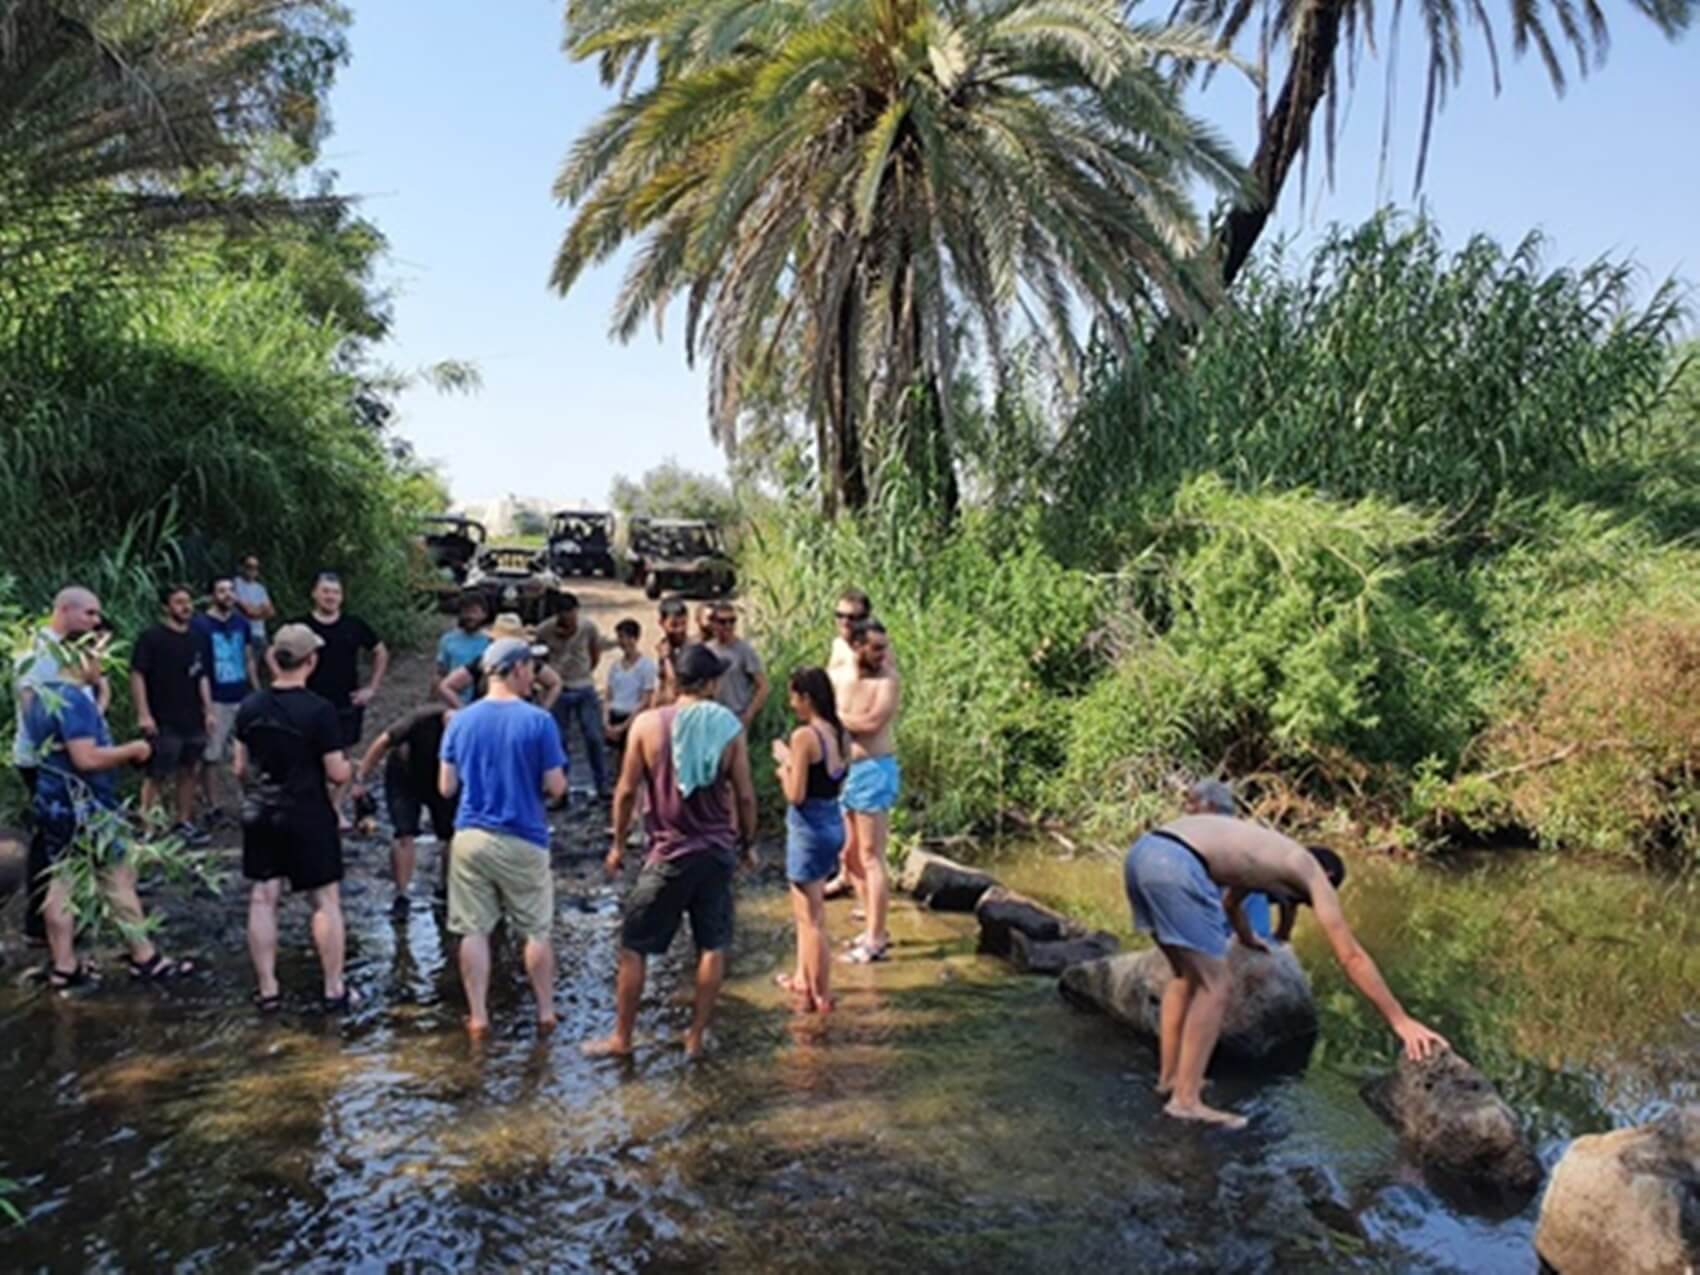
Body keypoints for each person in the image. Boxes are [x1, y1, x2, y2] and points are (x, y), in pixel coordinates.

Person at [1124, 813, 1450, 1129]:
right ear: (1326, 874)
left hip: (1144, 854)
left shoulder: (1264, 854)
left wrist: (1249, 939)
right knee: (1216, 984)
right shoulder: (1308, 868)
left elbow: (1230, 906)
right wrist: (1400, 1020)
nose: (1304, 900)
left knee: (1183, 975)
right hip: (1177, 866)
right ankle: (1186, 1101)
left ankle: (1169, 1080)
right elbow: (1351, 956)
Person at [584, 644, 758, 1061]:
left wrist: (617, 844)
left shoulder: (646, 726)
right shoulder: (729, 727)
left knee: (633, 945)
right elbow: (746, 796)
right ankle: (696, 1037)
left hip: (666, 853)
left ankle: (622, 1038)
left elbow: (626, 791)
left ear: (675, 681)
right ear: (712, 683)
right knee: (712, 945)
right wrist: (747, 844)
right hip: (716, 853)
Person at [23, 640, 195, 987]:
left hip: (55, 800)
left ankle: (64, 966)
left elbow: (61, 743)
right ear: (80, 656)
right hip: (87, 805)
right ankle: (146, 958)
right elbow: (85, 757)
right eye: (100, 655)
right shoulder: (73, 701)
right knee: (117, 877)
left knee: (62, 880)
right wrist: (134, 749)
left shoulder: (39, 695)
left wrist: (99, 703)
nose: (105, 663)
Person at [438, 638, 569, 1038]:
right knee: (535, 930)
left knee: (473, 929)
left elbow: (445, 787)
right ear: (514, 669)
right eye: (531, 667)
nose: (534, 676)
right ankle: (545, 1012)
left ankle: (478, 1017)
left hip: (471, 836)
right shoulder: (539, 722)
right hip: (523, 835)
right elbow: (557, 786)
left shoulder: (459, 720)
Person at [234, 625, 355, 1011]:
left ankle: (268, 989)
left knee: (262, 898)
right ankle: (333, 988)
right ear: (311, 661)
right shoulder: (320, 710)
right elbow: (336, 772)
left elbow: (239, 767)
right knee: (324, 899)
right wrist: (349, 773)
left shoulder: (249, 707)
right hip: (307, 811)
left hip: (260, 811)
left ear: (274, 658)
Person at [12, 586, 108, 948]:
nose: (96, 621)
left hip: (73, 753)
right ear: (65, 609)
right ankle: (42, 923)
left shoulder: (70, 649)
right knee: (53, 840)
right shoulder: (38, 652)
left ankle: (62, 915)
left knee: (64, 837)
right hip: (47, 759)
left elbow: (93, 687)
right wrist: (76, 741)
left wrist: (94, 715)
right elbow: (33, 707)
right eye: (90, 614)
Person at [772, 668, 848, 1013]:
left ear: (806, 698)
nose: (791, 704)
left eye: (793, 697)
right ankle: (803, 979)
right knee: (805, 911)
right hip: (833, 821)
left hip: (808, 828)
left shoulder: (805, 736)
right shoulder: (838, 730)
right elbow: (829, 777)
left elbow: (796, 794)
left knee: (811, 918)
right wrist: (792, 760)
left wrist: (783, 767)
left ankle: (821, 994)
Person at [299, 572, 388, 821]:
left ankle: (335, 809)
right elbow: (275, 653)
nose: (330, 597)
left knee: (343, 759)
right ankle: (313, 808)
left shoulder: (354, 625)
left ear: (342, 597)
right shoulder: (301, 627)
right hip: (309, 703)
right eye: (325, 591)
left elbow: (380, 651)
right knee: (309, 758)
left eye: (336, 592)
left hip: (346, 703)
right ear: (314, 594)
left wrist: (372, 687)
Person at [354, 703, 457, 918]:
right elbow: (382, 742)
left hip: (442, 778)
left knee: (451, 834)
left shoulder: (470, 731)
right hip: (404, 775)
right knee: (404, 832)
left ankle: (447, 887)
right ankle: (401, 895)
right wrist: (360, 778)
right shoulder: (421, 718)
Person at [131, 584, 215, 845]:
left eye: (188, 602)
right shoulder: (151, 638)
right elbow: (137, 674)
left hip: (192, 715)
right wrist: (144, 713)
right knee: (157, 773)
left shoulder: (198, 637)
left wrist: (209, 710)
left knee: (189, 769)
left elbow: (201, 675)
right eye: (179, 602)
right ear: (166, 607)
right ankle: (148, 826)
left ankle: (183, 821)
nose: (186, 607)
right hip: (162, 716)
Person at [838, 620, 901, 964]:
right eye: (875, 648)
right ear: (858, 646)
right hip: (848, 773)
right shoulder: (846, 677)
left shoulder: (888, 681)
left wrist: (838, 716)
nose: (883, 654)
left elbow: (871, 724)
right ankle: (872, 923)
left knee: (872, 855)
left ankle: (876, 939)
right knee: (849, 854)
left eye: (884, 647)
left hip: (875, 770)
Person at [193, 576, 259, 821]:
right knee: (212, 754)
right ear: (212, 595)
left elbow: (249, 656)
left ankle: (248, 800)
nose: (228, 595)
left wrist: (257, 689)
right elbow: (199, 668)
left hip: (241, 693)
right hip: (216, 696)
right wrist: (207, 705)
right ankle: (213, 805)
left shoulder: (242, 623)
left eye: (231, 590)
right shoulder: (200, 625)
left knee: (247, 752)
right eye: (221, 591)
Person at [1180, 777, 1276, 940]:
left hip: (1237, 943)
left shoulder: (1222, 843)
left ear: (1209, 807)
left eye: (1191, 803)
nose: (1186, 810)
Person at [536, 593, 610, 798]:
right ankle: (560, 788)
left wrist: (585, 671)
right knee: (559, 740)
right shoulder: (545, 630)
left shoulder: (588, 628)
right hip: (558, 689)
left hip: (584, 686)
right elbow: (539, 659)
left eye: (572, 615)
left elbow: (595, 653)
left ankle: (602, 784)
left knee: (594, 737)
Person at [436, 613, 563, 710]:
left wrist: (544, 709)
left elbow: (555, 683)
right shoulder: (483, 662)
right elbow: (446, 686)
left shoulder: (529, 663)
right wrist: (463, 710)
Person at [706, 602, 769, 729]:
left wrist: (749, 714)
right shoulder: (707, 650)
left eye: (732, 621)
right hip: (712, 716)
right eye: (723, 621)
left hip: (736, 715)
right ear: (713, 624)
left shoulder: (744, 651)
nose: (728, 626)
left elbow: (763, 686)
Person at [604, 618, 658, 752]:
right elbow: (608, 695)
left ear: (634, 639)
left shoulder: (646, 665)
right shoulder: (615, 666)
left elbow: (645, 699)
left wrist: (624, 726)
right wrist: (606, 722)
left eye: (624, 637)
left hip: (632, 716)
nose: (621, 642)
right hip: (614, 715)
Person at [435, 592, 491, 705]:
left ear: (484, 614)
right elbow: (440, 673)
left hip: (481, 701)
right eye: (466, 611)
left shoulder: (489, 642)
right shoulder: (448, 640)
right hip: (452, 699)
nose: (469, 616)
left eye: (474, 612)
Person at [652, 596, 691, 706]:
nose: (680, 630)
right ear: (661, 622)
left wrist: (666, 658)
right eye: (674, 625)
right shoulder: (665, 645)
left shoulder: (692, 651)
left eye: (684, 624)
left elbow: (674, 685)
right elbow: (662, 682)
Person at [233, 554, 275, 646]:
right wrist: (261, 610)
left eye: (256, 567)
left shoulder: (260, 588)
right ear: (241, 567)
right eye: (249, 566)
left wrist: (255, 610)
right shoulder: (234, 584)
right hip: (242, 634)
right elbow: (248, 611)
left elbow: (271, 612)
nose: (253, 570)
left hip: (260, 634)